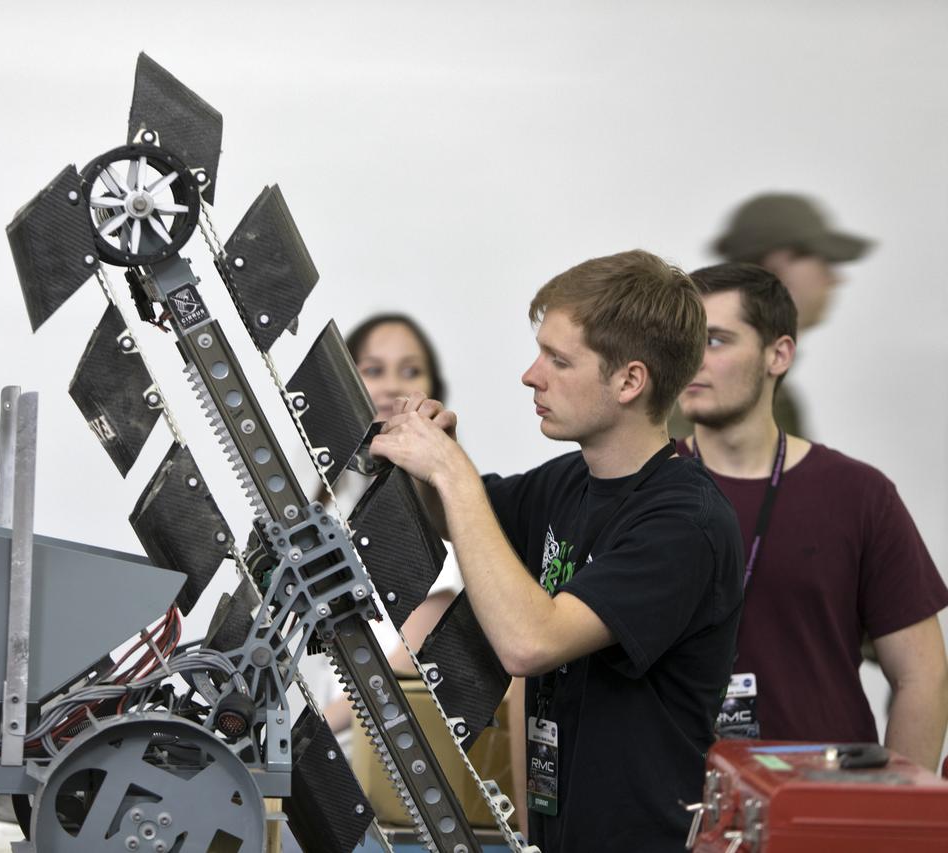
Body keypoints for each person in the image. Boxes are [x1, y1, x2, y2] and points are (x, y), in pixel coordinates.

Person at [370, 250, 743, 853]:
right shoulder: (568, 483)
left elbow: (531, 641)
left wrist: (452, 474)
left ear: (629, 381)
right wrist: (433, 459)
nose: (531, 375)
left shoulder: (683, 523)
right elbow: (465, 522)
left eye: (559, 360)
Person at [676, 262, 948, 768]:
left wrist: (897, 815)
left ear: (778, 354)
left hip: (822, 801)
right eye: (685, 340)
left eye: (715, 341)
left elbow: (923, 674)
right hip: (668, 811)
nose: (693, 359)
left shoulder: (858, 494)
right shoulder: (647, 486)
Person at [299, 314, 464, 743]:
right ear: (344, 382)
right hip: (310, 718)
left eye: (409, 372)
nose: (391, 385)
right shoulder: (320, 490)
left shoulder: (447, 494)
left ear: (433, 390)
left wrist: (329, 722)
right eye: (373, 370)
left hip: (387, 731)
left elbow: (433, 620)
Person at [673, 192, 874, 439]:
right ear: (778, 267)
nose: (835, 278)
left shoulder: (759, 391)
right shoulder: (698, 391)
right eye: (825, 262)